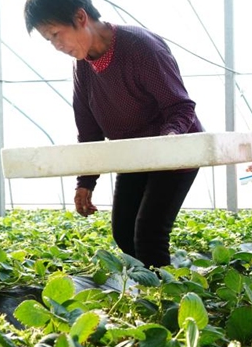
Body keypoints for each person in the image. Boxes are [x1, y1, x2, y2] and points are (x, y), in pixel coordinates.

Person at [23, 0, 202, 268]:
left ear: (80, 17)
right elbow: (89, 129)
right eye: (49, 40)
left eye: (56, 34)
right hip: (132, 157)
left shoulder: (141, 47)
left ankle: (163, 300)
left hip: (175, 154)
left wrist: (167, 142)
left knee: (149, 233)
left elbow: (180, 107)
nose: (56, 46)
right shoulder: (82, 66)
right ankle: (152, 285)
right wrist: (86, 181)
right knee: (123, 233)